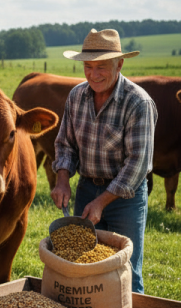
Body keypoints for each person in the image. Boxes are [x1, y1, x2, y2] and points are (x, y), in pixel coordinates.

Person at [51, 28, 157, 294]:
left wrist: (101, 202)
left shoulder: (138, 103)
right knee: (83, 266)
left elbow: (137, 165)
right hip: (87, 188)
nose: (93, 74)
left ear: (119, 64)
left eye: (102, 67)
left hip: (126, 199)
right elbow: (65, 144)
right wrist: (62, 179)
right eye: (88, 67)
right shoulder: (76, 96)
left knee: (126, 270)